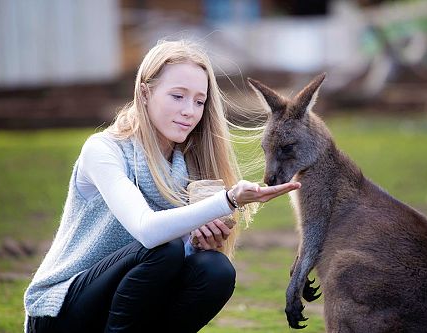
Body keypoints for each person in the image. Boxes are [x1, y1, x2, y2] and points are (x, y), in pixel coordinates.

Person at [24, 39, 300, 333]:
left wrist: (195, 244)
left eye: (198, 101)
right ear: (145, 93)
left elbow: (161, 266)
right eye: (178, 96)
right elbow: (147, 230)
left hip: (122, 310)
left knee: (215, 270)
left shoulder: (189, 168)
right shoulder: (104, 150)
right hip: (59, 313)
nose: (189, 111)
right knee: (163, 248)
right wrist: (229, 199)